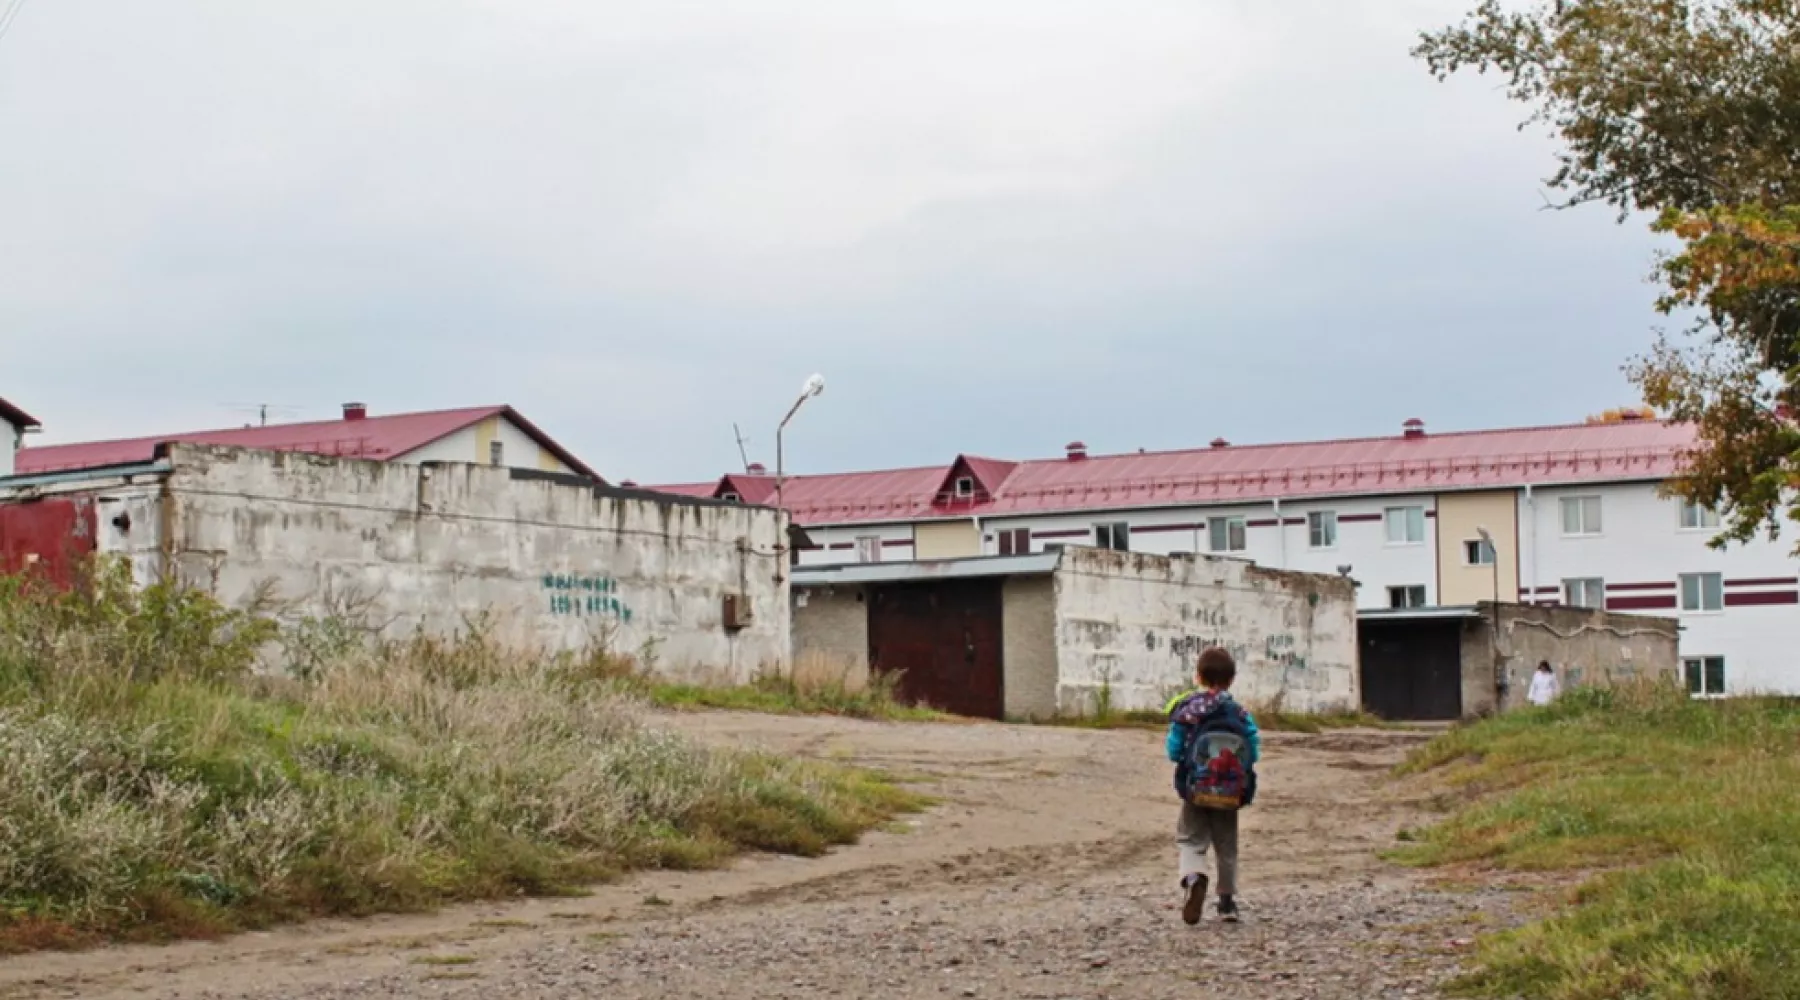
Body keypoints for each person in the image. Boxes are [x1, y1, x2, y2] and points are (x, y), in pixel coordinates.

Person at [1165, 646, 1260, 925]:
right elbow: (1252, 750)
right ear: (1231, 679)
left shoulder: (1190, 710)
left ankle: (1194, 876)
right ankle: (1227, 902)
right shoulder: (1239, 712)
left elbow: (1173, 749)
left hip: (1196, 789)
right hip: (1229, 791)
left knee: (1190, 839)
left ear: (1198, 676)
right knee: (1226, 846)